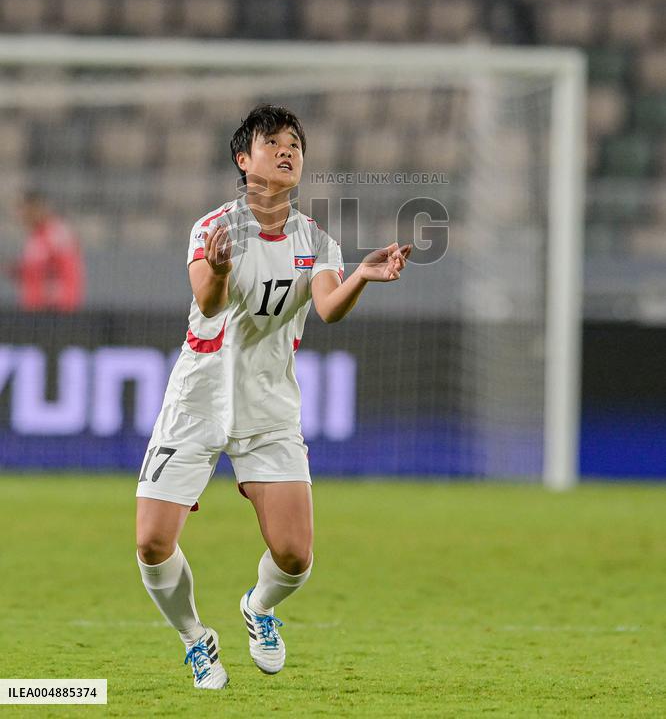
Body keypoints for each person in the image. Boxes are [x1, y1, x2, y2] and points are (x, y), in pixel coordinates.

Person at [135, 103, 412, 690]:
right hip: (198, 400)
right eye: (273, 142)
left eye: (295, 144)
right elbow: (208, 306)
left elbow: (330, 309)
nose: (288, 150)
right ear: (244, 159)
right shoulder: (212, 228)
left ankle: (258, 609)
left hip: (269, 407)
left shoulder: (316, 239)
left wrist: (362, 275)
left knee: (294, 556)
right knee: (152, 542)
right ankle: (195, 640)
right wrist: (213, 269)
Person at [4, 190, 85, 312]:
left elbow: (63, 269)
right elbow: (34, 270)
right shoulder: (35, 237)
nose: (22, 216)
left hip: (54, 309)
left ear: (38, 208)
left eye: (26, 210)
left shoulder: (57, 232)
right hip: (34, 309)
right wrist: (16, 270)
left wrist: (54, 300)